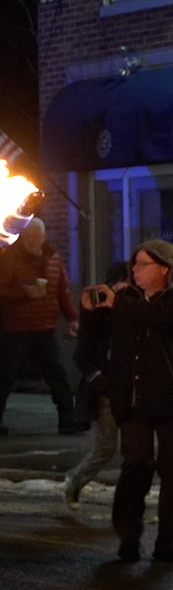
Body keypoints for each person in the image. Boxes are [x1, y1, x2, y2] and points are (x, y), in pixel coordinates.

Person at [91, 239, 173, 561]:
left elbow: (157, 316)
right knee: (136, 464)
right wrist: (92, 310)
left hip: (168, 401)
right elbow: (94, 340)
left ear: (164, 269)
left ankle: (167, 544)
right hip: (134, 402)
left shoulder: (165, 301)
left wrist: (118, 303)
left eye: (143, 264)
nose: (135, 269)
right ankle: (128, 536)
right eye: (134, 264)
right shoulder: (126, 299)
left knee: (171, 470)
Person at [0, 220, 81, 436]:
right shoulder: (11, 258)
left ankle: (67, 419)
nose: (34, 240)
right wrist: (25, 292)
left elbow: (62, 291)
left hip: (45, 325)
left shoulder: (53, 258)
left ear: (44, 237)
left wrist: (72, 318)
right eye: (29, 236)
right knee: (7, 374)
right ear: (22, 237)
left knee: (56, 373)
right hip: (17, 326)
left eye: (37, 236)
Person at [65, 261, 131, 507]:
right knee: (106, 446)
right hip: (107, 389)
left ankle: (130, 498)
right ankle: (75, 481)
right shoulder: (97, 307)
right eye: (119, 286)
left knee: (137, 449)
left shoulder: (134, 305)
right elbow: (82, 355)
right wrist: (100, 381)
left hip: (133, 385)